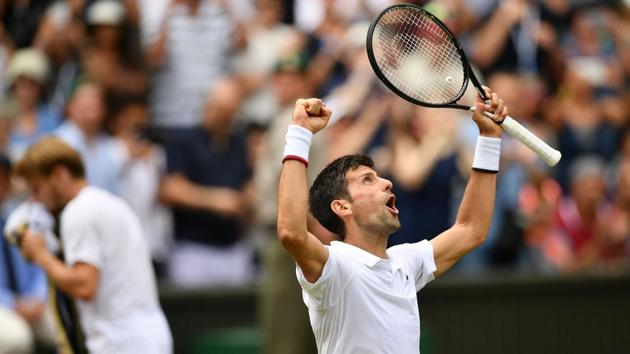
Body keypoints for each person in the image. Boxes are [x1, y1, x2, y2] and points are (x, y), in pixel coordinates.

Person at [276, 87, 507, 353]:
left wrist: (489, 138)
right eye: (367, 180)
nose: (386, 182)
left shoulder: (405, 263)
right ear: (342, 206)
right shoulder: (334, 266)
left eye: (378, 176)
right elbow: (291, 233)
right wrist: (299, 133)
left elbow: (471, 230)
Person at [13, 137, 172, 354]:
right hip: (151, 337)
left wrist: (41, 255)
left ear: (59, 174)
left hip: (120, 344)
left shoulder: (78, 212)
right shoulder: (113, 203)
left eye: (37, 189)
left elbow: (84, 285)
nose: (35, 200)